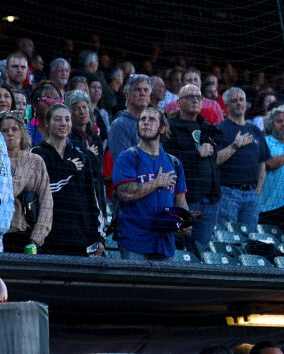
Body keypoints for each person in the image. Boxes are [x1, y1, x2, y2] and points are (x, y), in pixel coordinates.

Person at [111, 105, 186, 261]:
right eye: (142, 119)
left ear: (162, 128)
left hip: (165, 243)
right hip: (134, 241)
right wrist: (157, 182)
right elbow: (125, 192)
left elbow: (181, 201)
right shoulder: (129, 156)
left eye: (152, 120)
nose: (145, 123)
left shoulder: (174, 163)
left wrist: (184, 220)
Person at [32, 104, 101, 256]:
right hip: (48, 238)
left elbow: (93, 196)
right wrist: (68, 169)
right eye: (58, 119)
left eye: (67, 119)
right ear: (48, 123)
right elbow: (42, 191)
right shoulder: (37, 154)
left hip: (80, 239)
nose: (63, 123)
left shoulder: (81, 152)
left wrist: (98, 235)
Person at [164, 83, 226, 251]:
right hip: (184, 201)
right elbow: (168, 161)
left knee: (202, 250)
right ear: (179, 103)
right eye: (190, 97)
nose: (195, 100)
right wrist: (197, 153)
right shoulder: (169, 127)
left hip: (210, 202)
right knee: (181, 249)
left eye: (198, 97)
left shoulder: (206, 127)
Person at [0, 111, 50, 253]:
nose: (10, 133)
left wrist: (36, 239)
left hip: (27, 236)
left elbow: (47, 202)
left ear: (22, 132)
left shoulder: (35, 161)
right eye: (4, 130)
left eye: (14, 129)